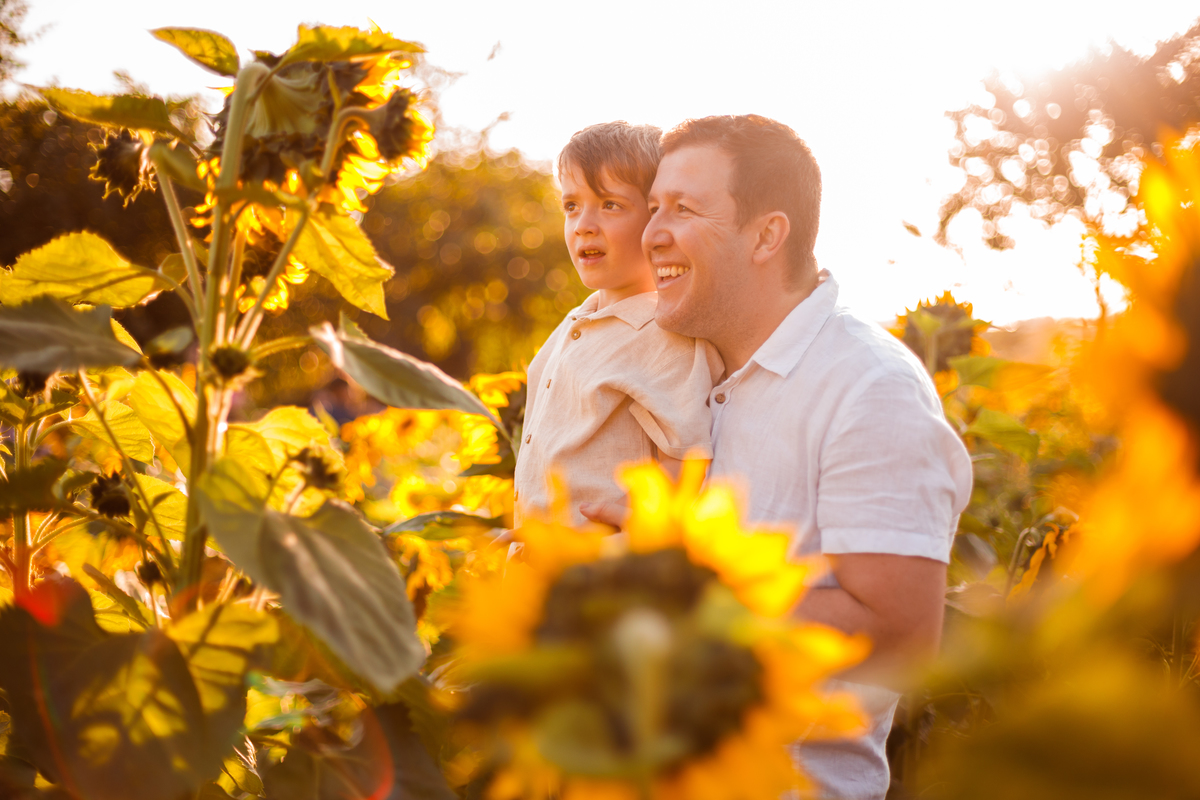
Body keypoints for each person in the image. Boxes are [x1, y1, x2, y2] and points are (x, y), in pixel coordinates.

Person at [582, 115, 973, 800]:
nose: (651, 235)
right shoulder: (683, 373)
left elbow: (903, 639)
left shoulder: (869, 388)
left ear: (767, 234)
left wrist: (677, 576)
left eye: (683, 209)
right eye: (652, 209)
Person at [513, 121, 720, 528]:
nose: (583, 224)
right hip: (540, 563)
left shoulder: (665, 334)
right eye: (571, 206)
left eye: (610, 205)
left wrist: (609, 531)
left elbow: (687, 462)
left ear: (656, 217)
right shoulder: (577, 321)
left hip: (599, 573)